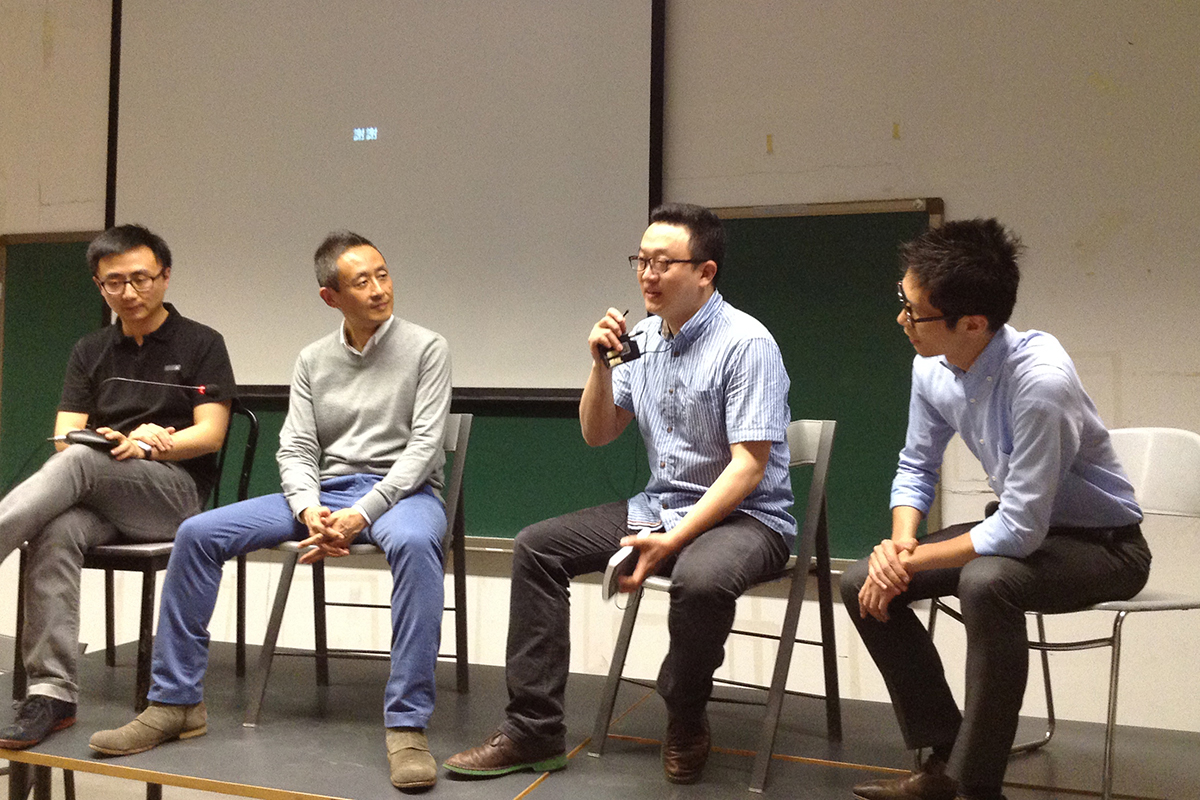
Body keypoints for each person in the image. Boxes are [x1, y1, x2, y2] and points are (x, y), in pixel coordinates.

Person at [444, 203, 794, 785]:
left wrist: (672, 540)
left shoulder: (747, 343)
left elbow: (748, 469)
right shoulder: (643, 339)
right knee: (536, 547)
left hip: (747, 519)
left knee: (700, 580)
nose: (647, 274)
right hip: (659, 507)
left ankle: (685, 714)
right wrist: (600, 369)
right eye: (641, 260)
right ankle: (533, 732)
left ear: (705, 272)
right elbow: (598, 432)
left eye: (663, 263)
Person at [89, 231, 452, 791]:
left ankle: (407, 727)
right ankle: (175, 703)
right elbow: (297, 446)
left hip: (400, 494)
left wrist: (361, 513)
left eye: (383, 274)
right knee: (198, 533)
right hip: (324, 495)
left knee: (415, 543)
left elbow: (424, 448)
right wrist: (310, 509)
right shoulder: (312, 359)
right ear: (331, 297)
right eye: (362, 281)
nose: (380, 289)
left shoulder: (428, 348)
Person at [841, 219, 1151, 800]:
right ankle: (942, 756)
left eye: (914, 312)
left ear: (973, 323)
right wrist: (899, 547)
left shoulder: (1040, 383)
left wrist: (910, 559)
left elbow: (1019, 530)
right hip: (1020, 531)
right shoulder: (931, 365)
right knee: (862, 580)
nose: (901, 320)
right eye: (902, 302)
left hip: (1104, 545)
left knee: (987, 582)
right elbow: (915, 466)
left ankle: (973, 786)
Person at [0, 225, 235, 750]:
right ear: (98, 286)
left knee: (82, 462)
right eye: (114, 283)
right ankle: (52, 693)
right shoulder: (90, 350)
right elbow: (66, 435)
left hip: (173, 495)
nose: (129, 292)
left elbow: (211, 433)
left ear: (165, 277)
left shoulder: (202, 343)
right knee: (55, 529)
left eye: (140, 279)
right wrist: (110, 441)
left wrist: (152, 445)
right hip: (104, 483)